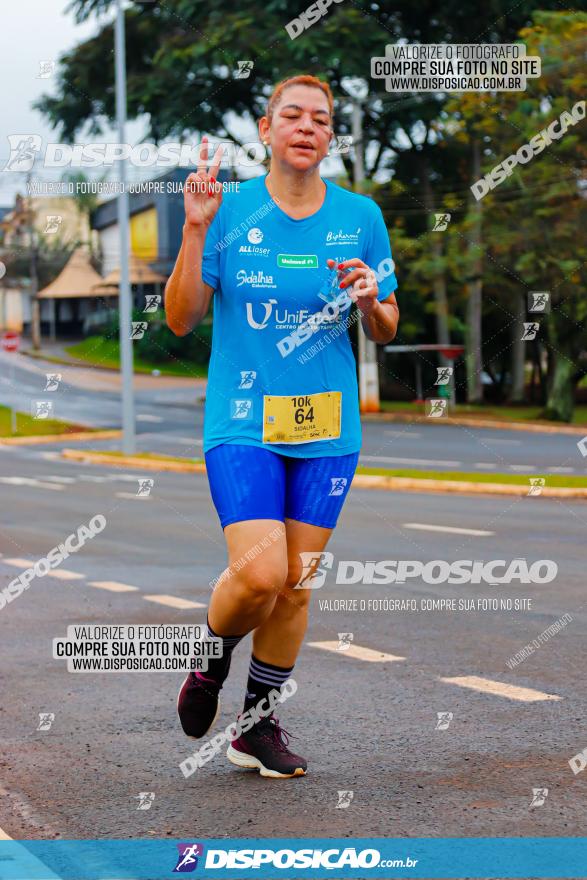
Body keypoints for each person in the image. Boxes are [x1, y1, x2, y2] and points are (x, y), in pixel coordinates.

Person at [165, 74, 399, 779]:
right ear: (265, 131)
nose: (306, 126)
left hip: (327, 426)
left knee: (295, 585)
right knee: (260, 572)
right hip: (241, 418)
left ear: (330, 137)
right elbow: (179, 319)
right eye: (290, 115)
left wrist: (368, 298)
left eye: (319, 119)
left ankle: (254, 729)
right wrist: (195, 228)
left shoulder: (360, 216)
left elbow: (386, 328)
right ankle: (209, 663)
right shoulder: (228, 209)